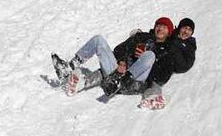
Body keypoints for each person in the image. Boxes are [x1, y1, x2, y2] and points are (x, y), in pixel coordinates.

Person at [52, 17, 183, 100]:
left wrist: (143, 58)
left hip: (136, 81)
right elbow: (119, 49)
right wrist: (122, 61)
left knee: (149, 55)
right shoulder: (141, 37)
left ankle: (115, 82)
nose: (160, 28)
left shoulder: (167, 49)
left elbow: (161, 73)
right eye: (158, 25)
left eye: (164, 27)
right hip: (117, 75)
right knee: (98, 40)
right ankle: (69, 68)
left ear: (169, 32)